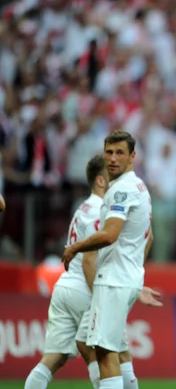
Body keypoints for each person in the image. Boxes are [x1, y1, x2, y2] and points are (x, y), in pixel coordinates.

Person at [28, 155, 161, 389]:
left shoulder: (83, 206)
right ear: (101, 181)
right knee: (116, 352)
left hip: (65, 287)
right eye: (112, 174)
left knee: (54, 359)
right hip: (85, 285)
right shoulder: (101, 210)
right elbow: (90, 261)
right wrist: (101, 297)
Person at [62, 131, 153, 389]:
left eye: (120, 153)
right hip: (125, 276)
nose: (113, 158)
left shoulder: (122, 190)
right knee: (88, 341)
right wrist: (135, 272)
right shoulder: (138, 186)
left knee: (104, 351)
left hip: (114, 279)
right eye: (109, 152)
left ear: (132, 156)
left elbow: (110, 234)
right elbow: (150, 236)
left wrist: (75, 247)